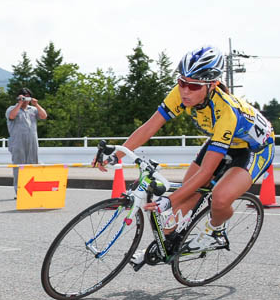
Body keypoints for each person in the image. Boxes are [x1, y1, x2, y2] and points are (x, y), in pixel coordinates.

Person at [95, 45, 274, 252]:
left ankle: (215, 231)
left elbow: (206, 171)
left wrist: (168, 200)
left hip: (254, 150)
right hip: (221, 141)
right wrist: (115, 155)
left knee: (220, 198)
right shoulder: (180, 94)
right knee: (183, 199)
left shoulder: (227, 113)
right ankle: (169, 246)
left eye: (195, 86)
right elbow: (150, 127)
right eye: (182, 82)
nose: (185, 91)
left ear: (212, 85)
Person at [5, 87, 48, 195]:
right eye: (24, 96)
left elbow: (44, 116)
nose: (26, 99)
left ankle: (32, 190)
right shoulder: (12, 108)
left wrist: (36, 104)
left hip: (32, 141)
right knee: (19, 167)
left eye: (28, 97)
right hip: (17, 142)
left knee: (33, 165)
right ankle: (19, 192)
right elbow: (11, 116)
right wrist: (19, 103)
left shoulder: (32, 110)